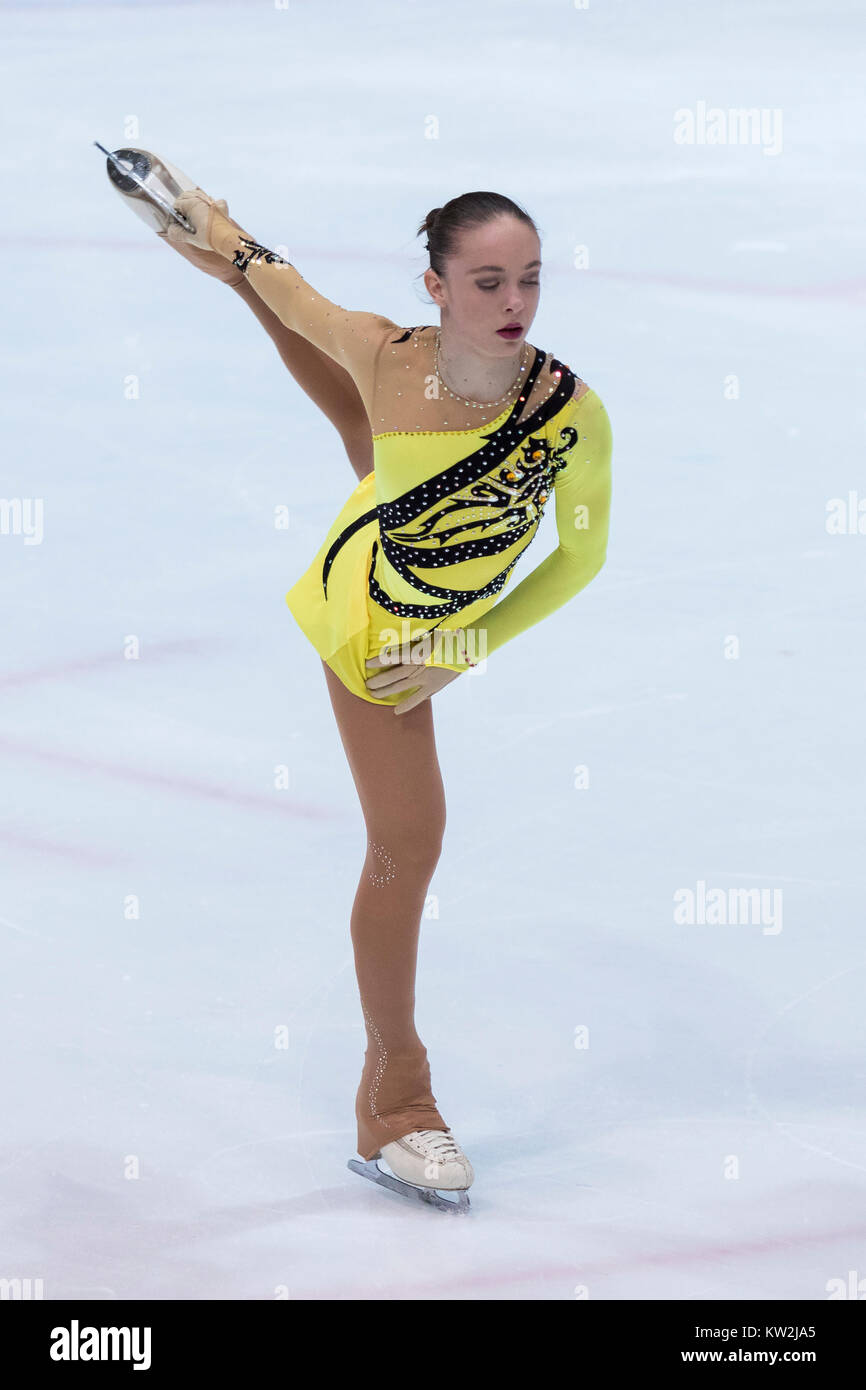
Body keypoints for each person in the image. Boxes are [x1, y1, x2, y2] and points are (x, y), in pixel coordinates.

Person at [158, 178, 613, 1208]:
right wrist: (224, 242)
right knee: (408, 842)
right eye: (486, 280)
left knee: (376, 446)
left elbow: (579, 558)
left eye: (528, 280)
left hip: (428, 565)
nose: (513, 302)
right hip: (374, 610)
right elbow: (295, 293)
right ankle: (395, 1102)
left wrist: (468, 642)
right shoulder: (385, 350)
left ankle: (393, 1098)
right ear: (436, 286)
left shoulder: (569, 414)